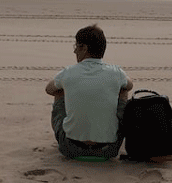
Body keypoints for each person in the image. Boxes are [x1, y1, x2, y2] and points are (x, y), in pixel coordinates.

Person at [46, 24, 133, 160]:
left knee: (59, 91)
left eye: (76, 46)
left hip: (70, 148)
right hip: (108, 149)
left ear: (84, 48)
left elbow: (49, 89)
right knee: (123, 90)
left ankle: (76, 131)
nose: (74, 51)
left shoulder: (68, 72)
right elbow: (129, 84)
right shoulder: (116, 72)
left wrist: (73, 89)